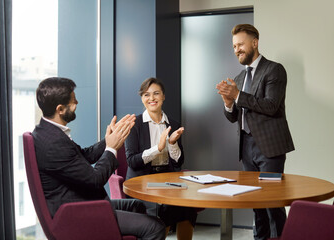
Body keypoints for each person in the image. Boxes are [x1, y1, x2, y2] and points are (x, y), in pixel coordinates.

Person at [32, 77, 165, 240]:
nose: (77, 103)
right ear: (60, 109)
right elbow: (95, 179)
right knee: (156, 227)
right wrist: (111, 148)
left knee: (136, 205)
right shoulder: (53, 143)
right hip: (76, 214)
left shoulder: (48, 132)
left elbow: (85, 155)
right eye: (74, 101)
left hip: (81, 203)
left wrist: (109, 139)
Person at [216, 24, 295, 240]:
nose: (237, 50)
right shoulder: (239, 78)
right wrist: (228, 103)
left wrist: (238, 95)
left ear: (254, 42)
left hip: (269, 149)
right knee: (255, 203)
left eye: (240, 44)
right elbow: (234, 117)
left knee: (272, 204)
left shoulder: (274, 70)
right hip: (247, 149)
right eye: (234, 46)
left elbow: (270, 105)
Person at [125, 77, 197, 240]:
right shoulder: (134, 124)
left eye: (156, 94)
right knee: (163, 208)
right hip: (141, 181)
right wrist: (157, 149)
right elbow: (132, 161)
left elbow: (179, 162)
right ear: (142, 98)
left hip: (167, 178)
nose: (152, 98)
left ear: (163, 96)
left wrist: (172, 143)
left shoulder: (173, 123)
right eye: (146, 94)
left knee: (188, 208)